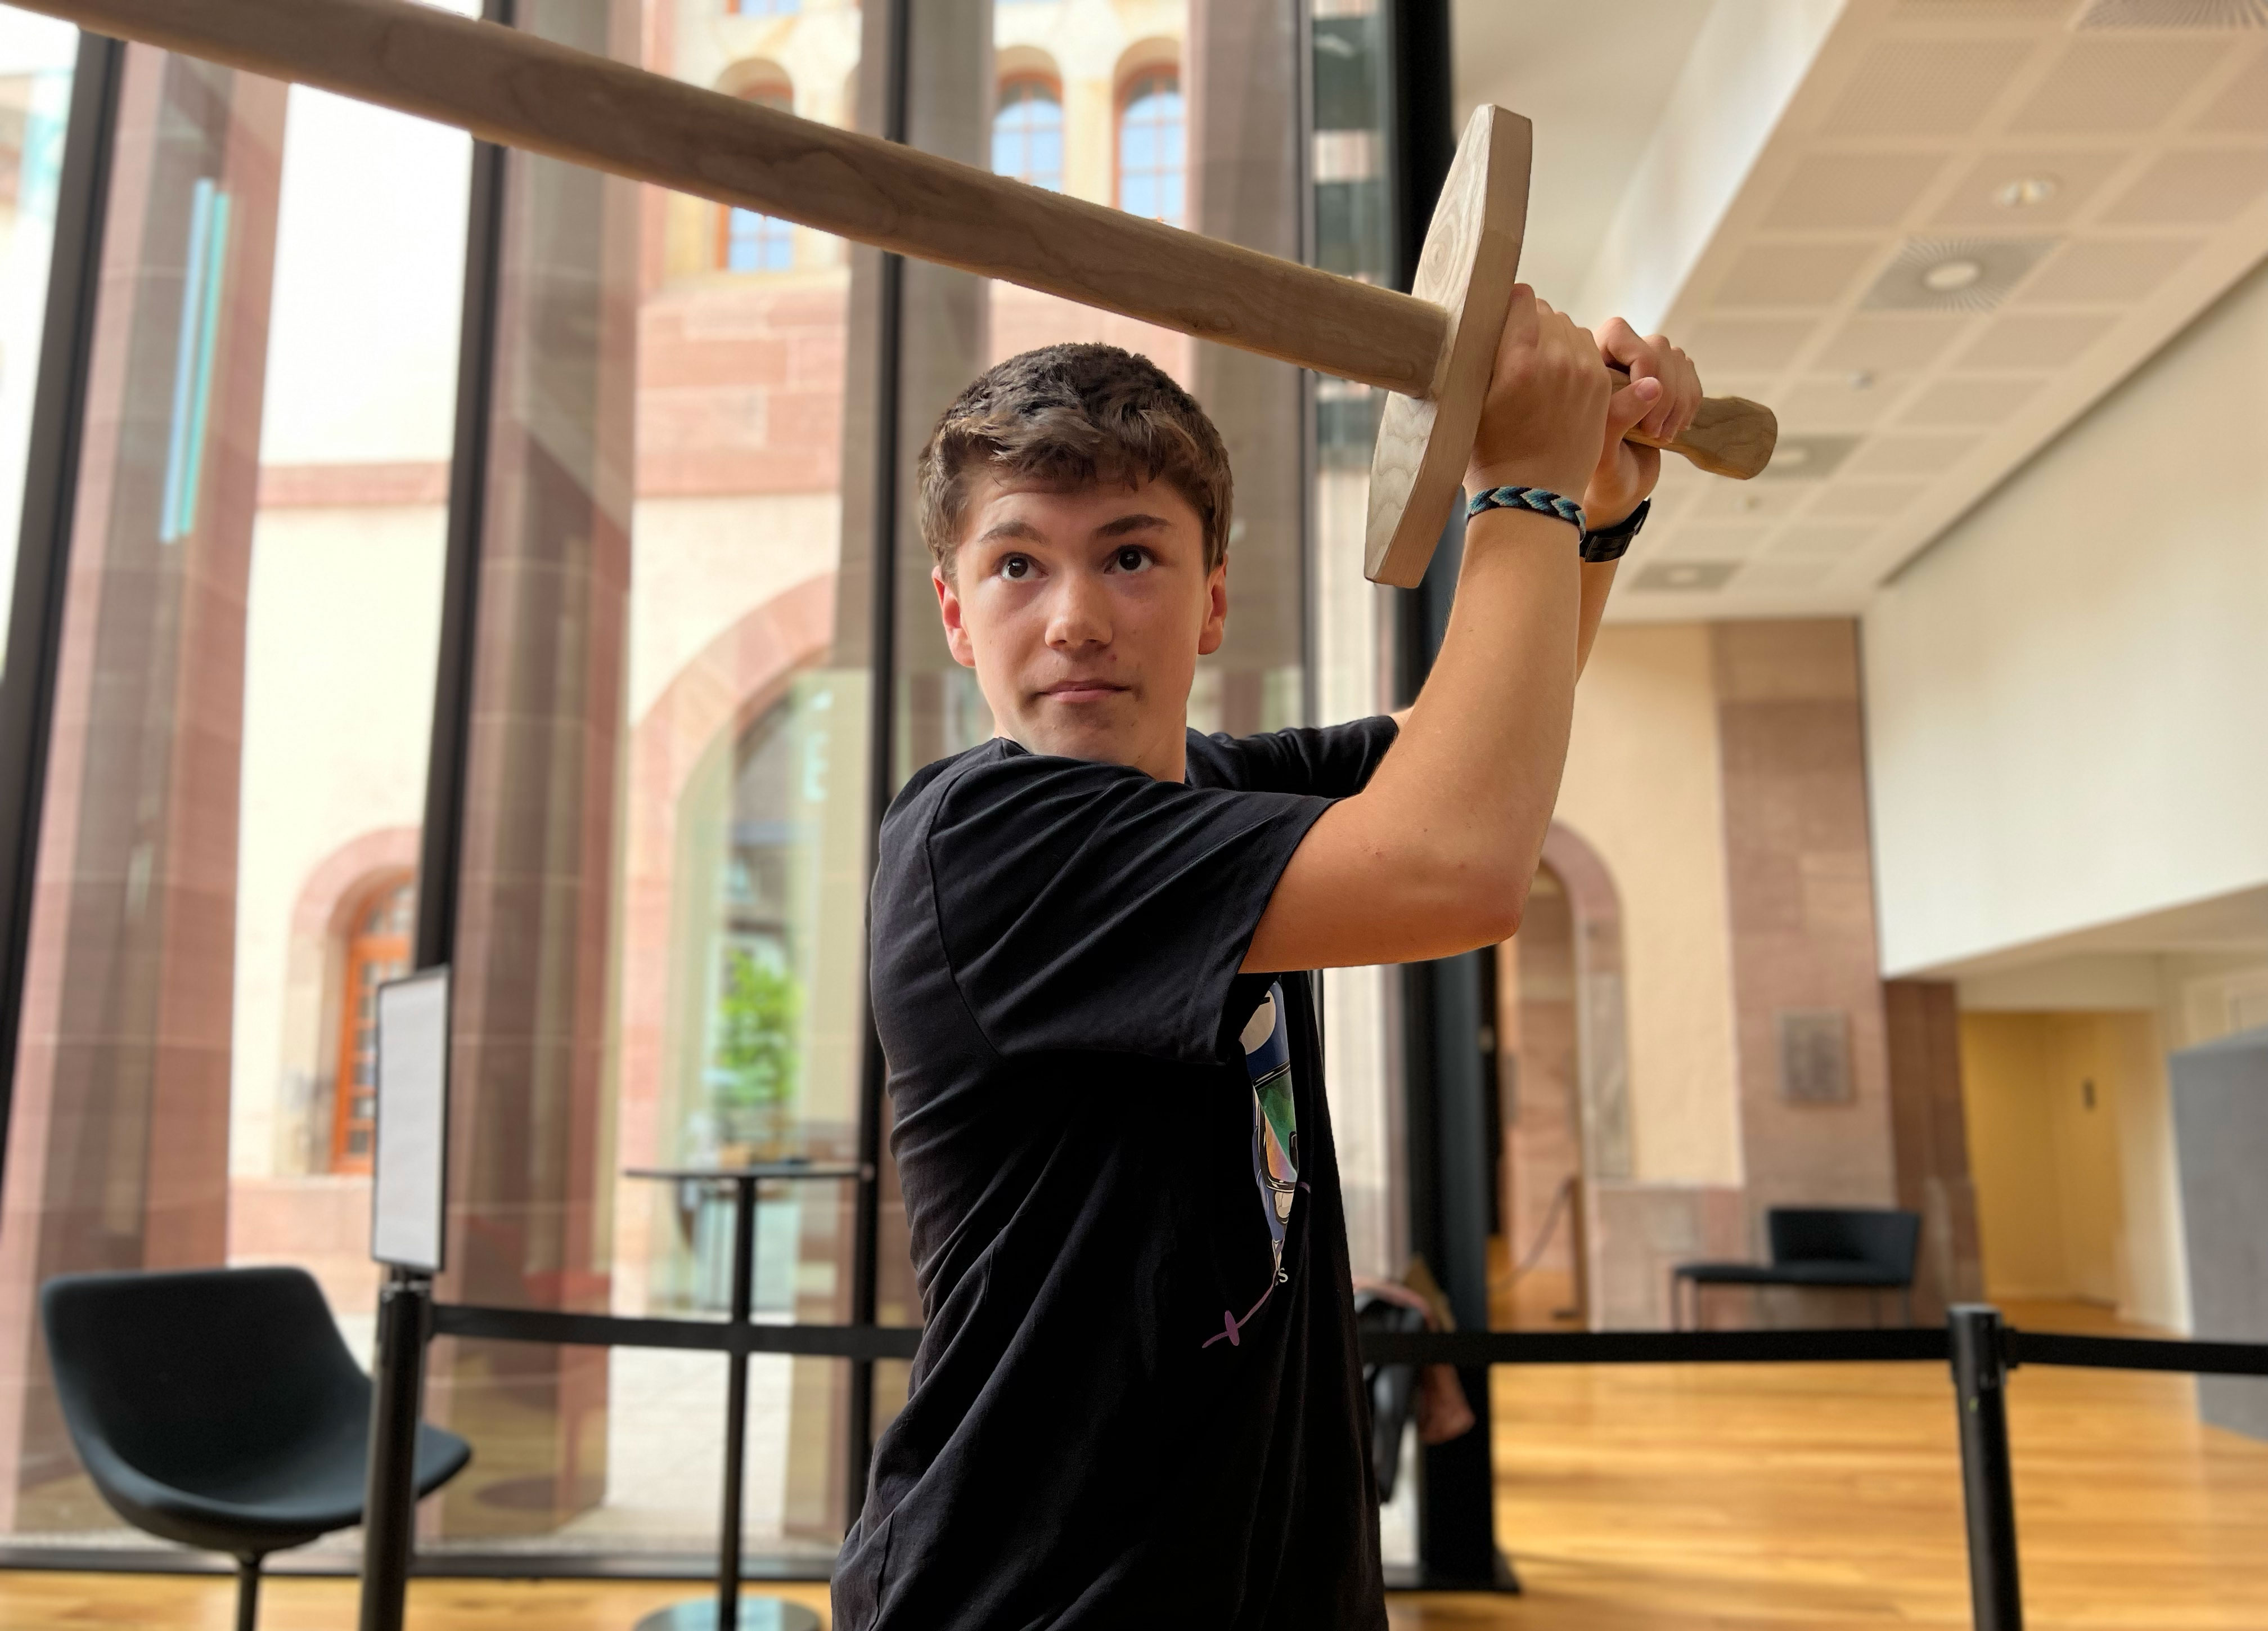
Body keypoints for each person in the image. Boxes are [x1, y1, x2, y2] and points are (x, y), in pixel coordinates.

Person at [834, 288, 1702, 1630]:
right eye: (1018, 565)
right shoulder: (982, 840)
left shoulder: (1218, 794)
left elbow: (1469, 756)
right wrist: (1522, 492)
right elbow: (1461, 865)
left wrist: (1591, 502)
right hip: (1023, 1600)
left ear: (1213, 599)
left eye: (1131, 555)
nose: (1073, 616)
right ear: (956, 615)